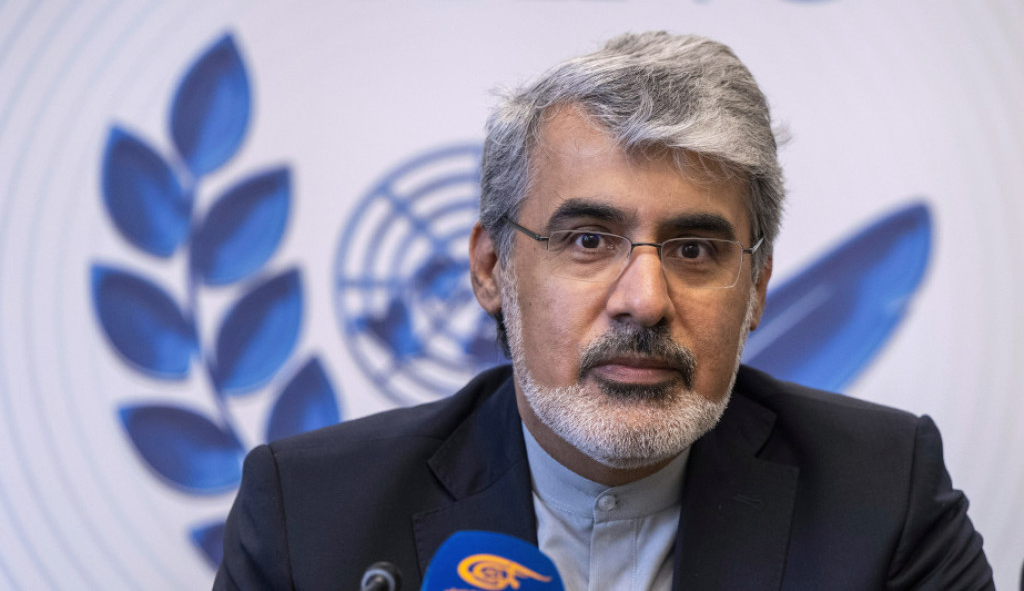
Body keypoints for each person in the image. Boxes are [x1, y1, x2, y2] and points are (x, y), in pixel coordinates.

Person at [214, 33, 993, 590]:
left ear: (756, 287)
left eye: (695, 250)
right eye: (588, 241)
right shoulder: (310, 515)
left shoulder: (884, 496)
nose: (644, 301)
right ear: (492, 269)